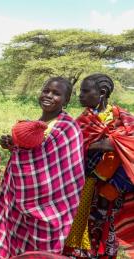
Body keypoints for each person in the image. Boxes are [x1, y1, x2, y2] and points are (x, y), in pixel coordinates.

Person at [0, 77, 85, 259]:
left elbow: (58, 167)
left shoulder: (67, 128)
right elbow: (28, 154)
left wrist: (21, 151)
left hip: (51, 205)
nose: (49, 96)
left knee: (42, 253)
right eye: (46, 90)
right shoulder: (32, 125)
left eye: (56, 94)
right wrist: (12, 145)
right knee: (16, 244)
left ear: (66, 101)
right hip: (17, 199)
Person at [64, 73, 134, 258]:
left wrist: (111, 144)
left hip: (115, 186)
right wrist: (101, 144)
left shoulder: (122, 117)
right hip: (86, 184)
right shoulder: (81, 121)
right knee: (82, 225)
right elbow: (73, 145)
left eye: (86, 91)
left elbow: (130, 144)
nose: (80, 95)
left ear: (102, 92)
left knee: (108, 224)